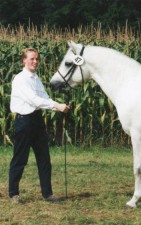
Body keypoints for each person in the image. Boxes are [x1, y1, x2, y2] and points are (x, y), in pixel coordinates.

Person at [9, 48, 70, 203]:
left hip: (37, 120)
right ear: (23, 60)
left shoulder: (36, 78)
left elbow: (44, 97)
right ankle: (13, 194)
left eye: (37, 59)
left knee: (44, 158)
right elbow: (34, 100)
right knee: (20, 159)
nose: (35, 61)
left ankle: (47, 194)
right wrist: (56, 104)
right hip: (24, 121)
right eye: (31, 59)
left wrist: (58, 107)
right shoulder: (20, 79)